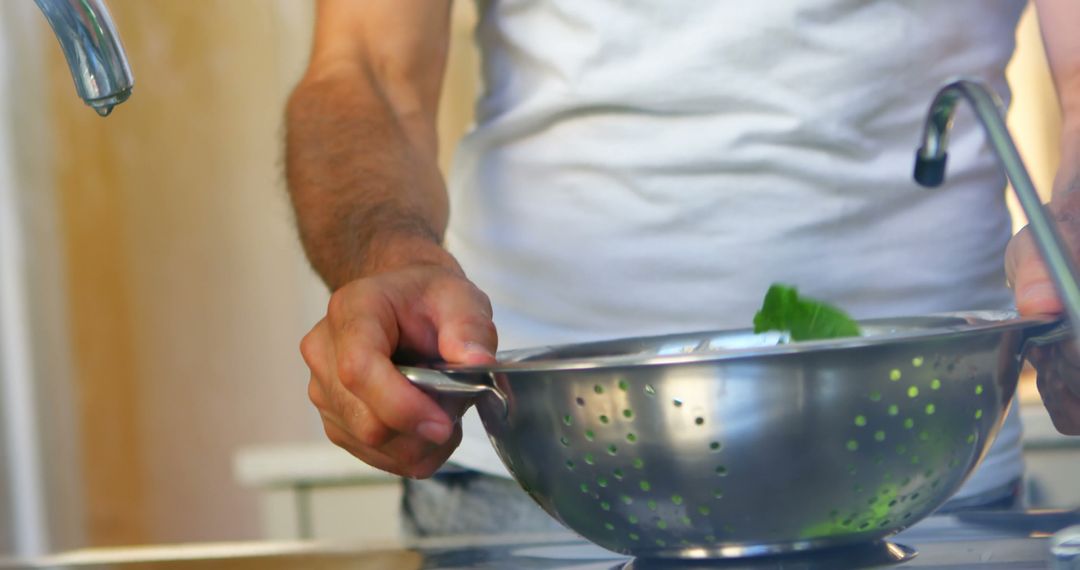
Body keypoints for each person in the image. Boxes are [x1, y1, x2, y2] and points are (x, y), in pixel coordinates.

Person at [285, 0, 1080, 536]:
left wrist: (1073, 236)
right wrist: (393, 259)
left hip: (930, 476)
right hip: (537, 486)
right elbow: (367, 67)